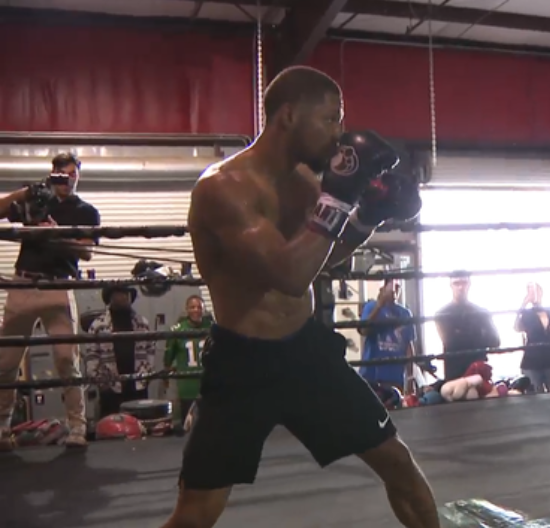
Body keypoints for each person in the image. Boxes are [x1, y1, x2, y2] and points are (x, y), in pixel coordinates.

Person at [159, 66, 438, 528]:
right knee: (197, 512)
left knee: (398, 464)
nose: (338, 134)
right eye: (330, 119)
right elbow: (288, 274)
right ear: (288, 115)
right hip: (242, 364)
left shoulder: (307, 183)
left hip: (307, 354)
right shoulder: (223, 189)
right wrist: (340, 201)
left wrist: (368, 218)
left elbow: (317, 259)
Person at [0, 152, 100, 450]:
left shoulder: (85, 211)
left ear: (78, 176)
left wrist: (54, 233)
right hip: (24, 283)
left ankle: (77, 427)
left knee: (67, 360)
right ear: (52, 174)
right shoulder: (36, 199)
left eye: (72, 175)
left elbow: (86, 252)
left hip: (59, 286)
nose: (67, 181)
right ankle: (2, 429)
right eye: (61, 175)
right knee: (5, 362)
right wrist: (25, 192)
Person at [84, 285, 157, 416]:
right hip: (110, 387)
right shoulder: (98, 325)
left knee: (139, 426)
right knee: (112, 429)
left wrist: (147, 374)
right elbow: (91, 355)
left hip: (138, 385)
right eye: (120, 293)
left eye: (127, 293)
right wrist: (100, 381)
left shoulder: (142, 323)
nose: (124, 296)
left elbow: (150, 350)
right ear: (110, 298)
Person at [434, 271, 500, 381]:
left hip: (479, 374)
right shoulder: (442, 314)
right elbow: (451, 342)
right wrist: (480, 333)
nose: (460, 287)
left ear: (469, 284)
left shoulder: (481, 312)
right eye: (456, 283)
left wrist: (461, 334)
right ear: (451, 286)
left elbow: (495, 341)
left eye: (464, 283)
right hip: (455, 375)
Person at [163, 295, 214, 428]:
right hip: (187, 385)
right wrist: (166, 377)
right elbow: (168, 358)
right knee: (189, 425)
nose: (196, 310)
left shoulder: (212, 328)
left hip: (209, 383)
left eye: (199, 307)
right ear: (187, 309)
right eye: (192, 307)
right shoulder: (178, 330)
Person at [359, 278, 416, 389]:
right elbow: (364, 330)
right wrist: (379, 305)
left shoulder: (405, 313)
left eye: (397, 287)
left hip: (396, 376)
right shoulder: (371, 307)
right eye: (392, 287)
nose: (395, 291)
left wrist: (410, 376)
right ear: (383, 288)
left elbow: (408, 346)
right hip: (372, 374)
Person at [514, 282, 550, 393]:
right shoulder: (526, 313)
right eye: (530, 291)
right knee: (534, 398)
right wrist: (523, 304)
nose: (534, 294)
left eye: (536, 291)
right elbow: (516, 327)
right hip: (531, 361)